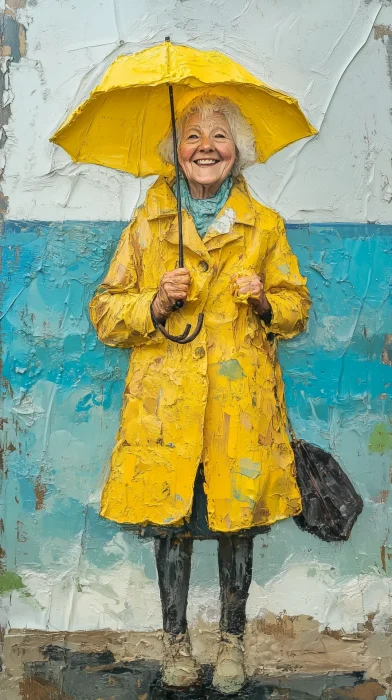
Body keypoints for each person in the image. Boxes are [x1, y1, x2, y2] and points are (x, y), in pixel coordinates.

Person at [89, 95, 311, 695]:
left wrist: (266, 299)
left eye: (219, 135)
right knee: (173, 525)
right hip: (168, 405)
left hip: (240, 406)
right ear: (176, 151)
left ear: (238, 151)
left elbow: (297, 309)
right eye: (192, 136)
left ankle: (232, 641)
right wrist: (155, 302)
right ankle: (175, 641)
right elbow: (107, 313)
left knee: (236, 524)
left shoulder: (264, 226)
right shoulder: (148, 225)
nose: (205, 145)